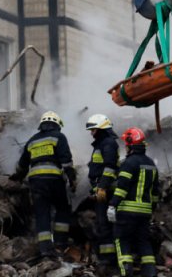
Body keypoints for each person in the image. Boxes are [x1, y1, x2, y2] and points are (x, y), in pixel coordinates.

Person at [10, 111, 77, 258]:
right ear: (57, 125)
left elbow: (22, 165)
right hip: (54, 180)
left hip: (36, 182)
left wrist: (17, 178)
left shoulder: (32, 140)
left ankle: (45, 249)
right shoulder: (59, 137)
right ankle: (60, 243)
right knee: (62, 208)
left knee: (42, 213)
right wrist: (72, 179)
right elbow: (66, 161)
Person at [107, 127, 159, 277]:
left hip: (127, 211)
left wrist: (112, 205)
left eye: (126, 144)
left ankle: (126, 273)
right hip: (145, 212)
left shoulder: (128, 163)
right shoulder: (151, 164)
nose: (125, 147)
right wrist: (151, 208)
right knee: (143, 241)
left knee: (121, 239)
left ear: (130, 145)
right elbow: (155, 192)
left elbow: (122, 188)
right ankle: (150, 272)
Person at [85, 113, 120, 269]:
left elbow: (110, 167)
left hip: (107, 191)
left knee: (106, 225)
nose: (91, 133)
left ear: (102, 129)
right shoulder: (101, 144)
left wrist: (103, 187)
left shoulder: (108, 143)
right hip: (101, 190)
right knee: (102, 224)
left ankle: (109, 260)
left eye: (93, 130)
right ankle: (107, 258)